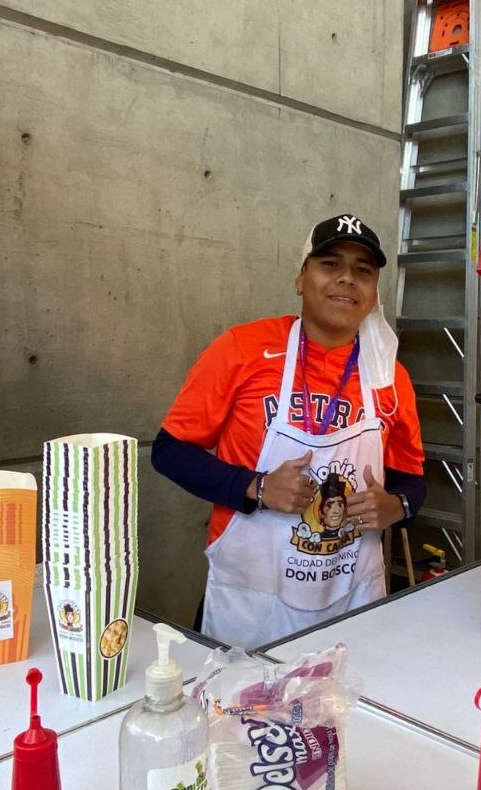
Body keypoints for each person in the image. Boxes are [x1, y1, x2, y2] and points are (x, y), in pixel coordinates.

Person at [152, 213, 426, 648]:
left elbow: (411, 478)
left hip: (350, 601)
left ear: (374, 295)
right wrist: (255, 486)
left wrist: (399, 506)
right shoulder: (241, 350)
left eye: (363, 271)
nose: (346, 279)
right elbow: (168, 451)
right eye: (330, 264)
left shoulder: (388, 375)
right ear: (301, 278)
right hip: (251, 603)